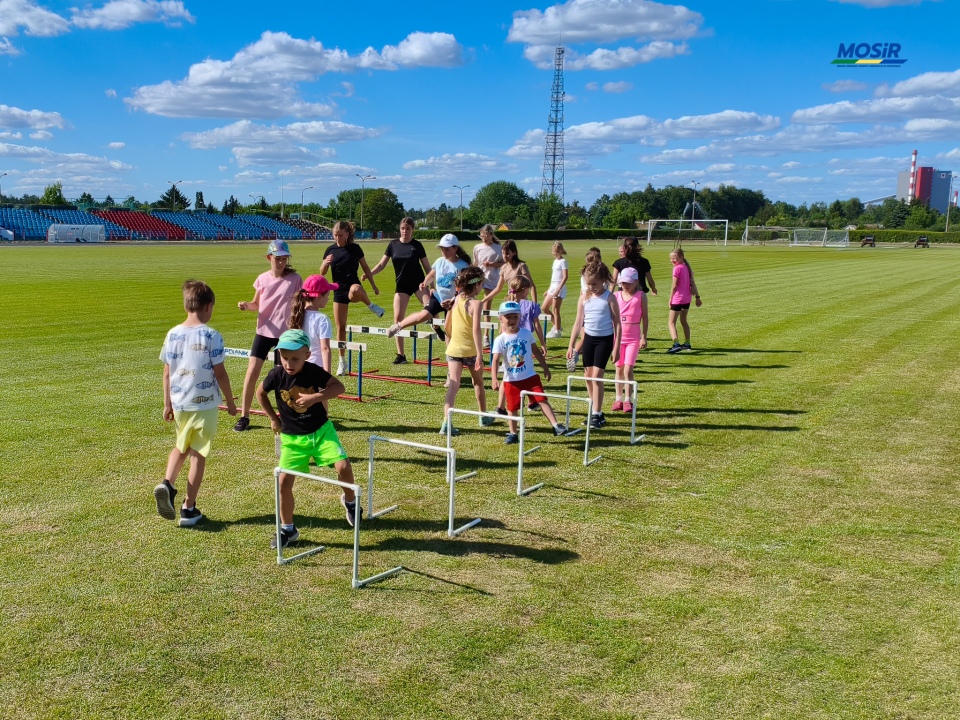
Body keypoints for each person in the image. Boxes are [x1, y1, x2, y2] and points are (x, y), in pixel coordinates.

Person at [255, 329, 360, 549]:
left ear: (307, 354)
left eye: (295, 358)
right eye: (284, 357)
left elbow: (339, 387)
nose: (289, 363)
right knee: (283, 482)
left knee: (344, 466)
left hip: (321, 431)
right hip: (293, 438)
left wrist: (315, 397)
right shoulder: (276, 375)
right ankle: (288, 529)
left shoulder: (313, 372)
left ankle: (351, 502)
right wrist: (273, 418)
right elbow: (260, 394)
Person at [155, 280, 237, 527]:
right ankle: (188, 507)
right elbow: (220, 373)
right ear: (209, 307)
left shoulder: (172, 333)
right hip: (205, 404)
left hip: (180, 402)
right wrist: (231, 402)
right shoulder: (212, 335)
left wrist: (167, 403)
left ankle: (168, 483)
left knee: (180, 446)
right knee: (198, 454)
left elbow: (167, 372)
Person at [234, 240, 302, 432]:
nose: (281, 262)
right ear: (268, 258)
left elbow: (300, 304)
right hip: (263, 332)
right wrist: (246, 305)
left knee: (283, 378)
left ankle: (286, 417)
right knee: (252, 372)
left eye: (284, 259)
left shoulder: (295, 279)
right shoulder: (262, 279)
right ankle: (244, 416)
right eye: (277, 259)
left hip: (285, 335)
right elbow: (257, 304)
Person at [491, 301, 567, 445]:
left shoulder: (526, 333)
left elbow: (536, 351)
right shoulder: (500, 340)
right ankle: (513, 433)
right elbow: (495, 360)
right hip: (511, 380)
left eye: (515, 317)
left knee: (542, 399)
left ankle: (556, 426)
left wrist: (545, 367)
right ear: (500, 318)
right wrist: (494, 378)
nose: (512, 320)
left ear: (520, 317)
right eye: (508, 317)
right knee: (512, 408)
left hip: (530, 377)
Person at [319, 220, 385, 376]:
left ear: (347, 234)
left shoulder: (355, 248)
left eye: (340, 235)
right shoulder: (330, 250)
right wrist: (325, 262)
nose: (337, 238)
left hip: (352, 287)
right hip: (338, 290)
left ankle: (371, 306)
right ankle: (342, 362)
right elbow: (322, 272)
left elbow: (366, 268)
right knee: (341, 328)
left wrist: (374, 286)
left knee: (355, 289)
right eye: (335, 235)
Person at [363, 217, 431, 365]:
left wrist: (430, 284)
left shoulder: (417, 245)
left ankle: (438, 330)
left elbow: (427, 267)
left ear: (412, 230)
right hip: (402, 286)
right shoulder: (393, 244)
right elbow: (381, 264)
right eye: (402, 228)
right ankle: (401, 356)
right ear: (399, 229)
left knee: (430, 309)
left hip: (419, 284)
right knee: (397, 320)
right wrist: (369, 275)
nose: (405, 231)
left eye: (408, 229)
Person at [439, 265, 493, 436]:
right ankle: (483, 416)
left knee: (453, 385)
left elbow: (447, 327)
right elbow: (477, 330)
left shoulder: (455, 300)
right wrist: (480, 354)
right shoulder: (477, 303)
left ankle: (446, 423)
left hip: (454, 350)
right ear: (476, 285)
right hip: (470, 351)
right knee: (478, 382)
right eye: (481, 284)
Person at [386, 234, 470, 343]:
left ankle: (450, 357)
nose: (444, 252)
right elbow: (432, 275)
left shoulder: (463, 266)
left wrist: (454, 300)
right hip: (438, 298)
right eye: (442, 249)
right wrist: (425, 283)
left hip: (454, 301)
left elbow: (464, 288)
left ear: (455, 248)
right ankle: (398, 326)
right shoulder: (440, 261)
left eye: (447, 249)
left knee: (450, 330)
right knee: (423, 315)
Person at [567, 262, 620, 430]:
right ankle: (595, 410)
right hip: (589, 339)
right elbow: (577, 323)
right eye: (588, 284)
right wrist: (571, 346)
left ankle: (596, 414)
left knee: (597, 377)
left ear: (604, 280)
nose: (592, 287)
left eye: (595, 284)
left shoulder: (609, 298)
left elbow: (617, 324)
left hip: (605, 340)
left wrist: (617, 347)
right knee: (588, 377)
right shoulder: (584, 298)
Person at [494, 275, 546, 416]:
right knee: (526, 374)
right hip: (525, 344)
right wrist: (543, 343)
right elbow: (537, 325)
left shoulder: (506, 303)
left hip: (508, 345)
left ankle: (503, 406)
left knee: (510, 375)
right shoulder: (531, 305)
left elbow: (501, 328)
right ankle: (504, 406)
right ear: (525, 290)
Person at [611, 236, 656, 349]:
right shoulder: (644, 262)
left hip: (623, 294)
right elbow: (650, 280)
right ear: (637, 246)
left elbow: (613, 281)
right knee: (640, 317)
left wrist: (609, 295)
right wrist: (653, 289)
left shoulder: (619, 262)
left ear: (624, 247)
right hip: (639, 294)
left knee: (622, 318)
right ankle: (640, 338)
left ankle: (622, 341)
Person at [288, 274, 335, 372]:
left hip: (299, 368)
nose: (328, 299)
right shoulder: (322, 319)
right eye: (327, 295)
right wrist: (327, 376)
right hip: (316, 370)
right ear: (319, 297)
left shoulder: (297, 315)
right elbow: (325, 349)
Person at [613, 267, 643, 413]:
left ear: (636, 282)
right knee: (618, 368)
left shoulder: (640, 296)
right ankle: (618, 398)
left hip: (633, 337)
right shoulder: (616, 296)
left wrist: (644, 336)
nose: (625, 285)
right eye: (623, 282)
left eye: (628, 283)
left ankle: (627, 399)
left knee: (628, 368)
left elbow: (646, 318)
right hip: (618, 337)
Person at [667, 247, 702, 353]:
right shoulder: (687, 267)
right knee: (683, 321)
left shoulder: (677, 268)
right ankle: (687, 343)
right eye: (671, 258)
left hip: (678, 299)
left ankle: (676, 343)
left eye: (675, 258)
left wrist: (670, 298)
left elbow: (674, 285)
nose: (673, 260)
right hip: (687, 299)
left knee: (671, 322)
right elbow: (693, 283)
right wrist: (697, 297)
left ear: (682, 257)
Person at [481, 239, 537, 307]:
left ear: (514, 253)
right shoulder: (504, 267)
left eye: (507, 253)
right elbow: (498, 289)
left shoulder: (521, 266)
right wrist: (483, 301)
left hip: (521, 302)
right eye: (503, 253)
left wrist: (535, 304)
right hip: (510, 302)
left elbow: (531, 285)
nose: (504, 256)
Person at [473, 224, 504, 314]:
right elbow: (475, 263)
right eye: (482, 236)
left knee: (486, 305)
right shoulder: (477, 247)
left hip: (491, 278)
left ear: (491, 235)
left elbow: (504, 264)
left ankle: (487, 327)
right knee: (471, 298)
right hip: (479, 277)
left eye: (486, 236)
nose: (484, 239)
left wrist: (493, 264)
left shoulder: (499, 248)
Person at [542, 241, 568, 339]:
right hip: (552, 288)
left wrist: (558, 290)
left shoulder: (563, 261)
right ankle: (557, 326)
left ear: (561, 251)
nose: (555, 253)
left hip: (559, 289)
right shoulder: (555, 261)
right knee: (544, 308)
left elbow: (565, 277)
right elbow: (554, 278)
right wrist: (549, 289)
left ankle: (557, 332)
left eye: (557, 251)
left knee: (555, 309)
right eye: (554, 251)